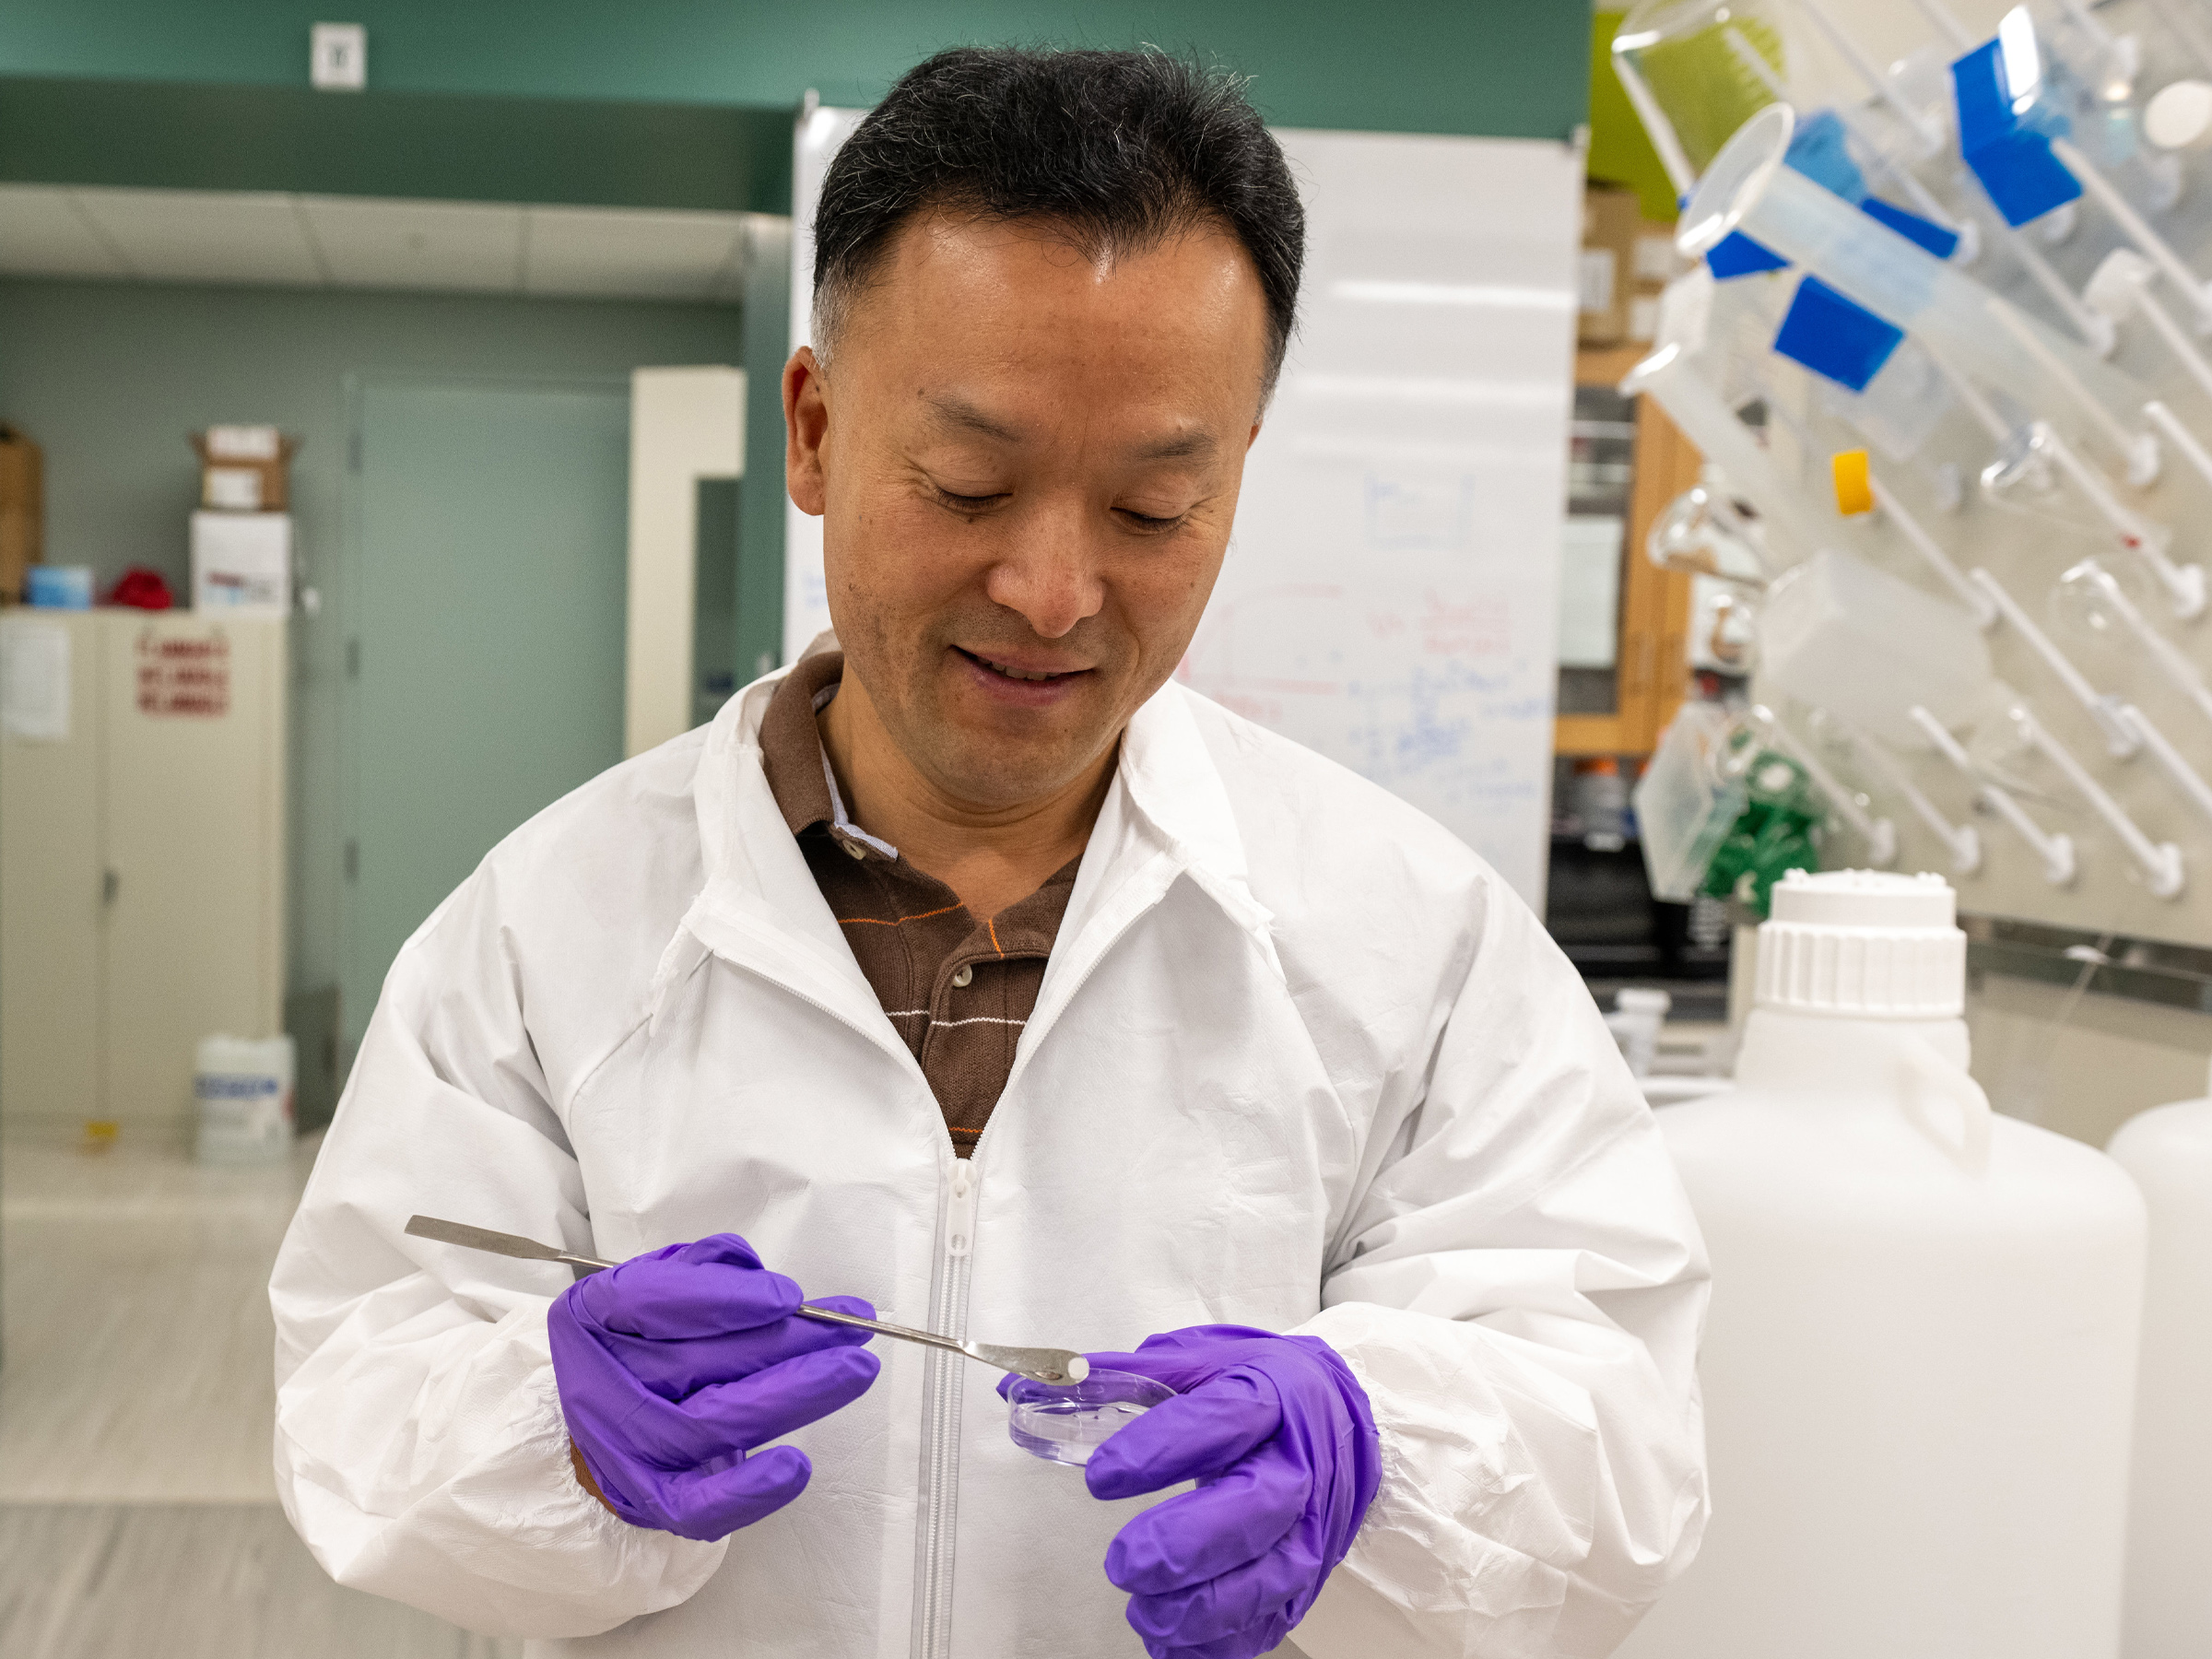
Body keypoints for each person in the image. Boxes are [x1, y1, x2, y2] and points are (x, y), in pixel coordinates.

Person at [271, 45, 1709, 1659]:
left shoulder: (1407, 937)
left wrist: (1380, 1454)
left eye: (1155, 511)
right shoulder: (555, 927)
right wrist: (558, 1434)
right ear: (814, 433)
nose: (1052, 590)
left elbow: (1619, 1435)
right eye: (970, 482)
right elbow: (358, 1391)